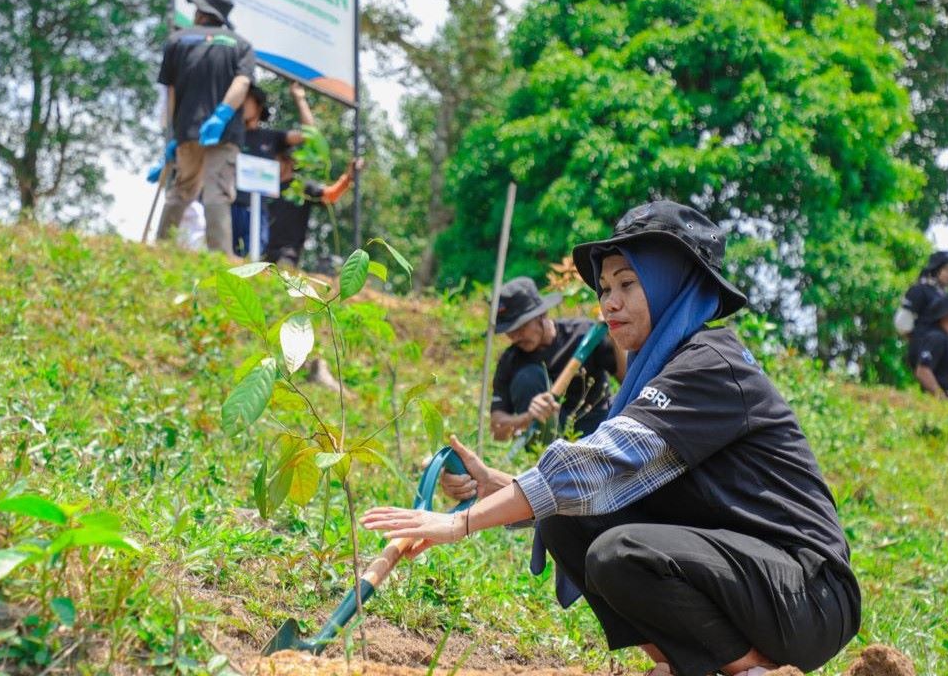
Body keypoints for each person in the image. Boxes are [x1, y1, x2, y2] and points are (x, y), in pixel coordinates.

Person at [363, 200, 860, 676]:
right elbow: (597, 482)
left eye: (628, 283)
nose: (610, 302)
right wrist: (497, 484)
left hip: (807, 593)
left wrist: (461, 524)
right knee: (566, 521)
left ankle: (754, 671)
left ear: (673, 286)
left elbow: (598, 465)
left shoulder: (710, 364)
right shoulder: (662, 367)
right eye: (604, 288)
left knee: (620, 551)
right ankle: (680, 663)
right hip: (748, 576)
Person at [153, 0, 255, 255]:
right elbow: (242, 82)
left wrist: (172, 135)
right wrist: (222, 114)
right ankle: (219, 257)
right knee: (217, 192)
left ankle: (161, 248)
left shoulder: (177, 41)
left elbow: (170, 92)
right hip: (224, 132)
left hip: (188, 130)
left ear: (200, 13)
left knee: (182, 189)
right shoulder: (241, 45)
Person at [489, 277, 625, 445]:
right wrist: (528, 417)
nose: (515, 336)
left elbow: (627, 380)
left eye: (521, 327)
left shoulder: (584, 335)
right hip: (548, 448)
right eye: (510, 331)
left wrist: (615, 338)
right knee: (527, 377)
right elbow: (497, 430)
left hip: (598, 431)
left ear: (542, 315)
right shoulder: (510, 361)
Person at [232, 82, 315, 257]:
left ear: (258, 106)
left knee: (252, 255)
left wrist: (299, 98)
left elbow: (310, 134)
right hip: (230, 206)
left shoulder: (271, 137)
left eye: (246, 100)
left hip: (256, 208)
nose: (241, 104)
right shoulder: (230, 135)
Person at [264, 147, 362, 268]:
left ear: (290, 162)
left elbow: (330, 195)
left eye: (278, 160)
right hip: (263, 248)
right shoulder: (267, 186)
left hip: (288, 251)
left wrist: (348, 177)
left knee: (283, 276)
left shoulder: (302, 187)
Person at [894, 250, 948, 339]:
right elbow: (902, 322)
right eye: (946, 269)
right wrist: (920, 343)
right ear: (935, 270)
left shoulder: (947, 298)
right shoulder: (920, 290)